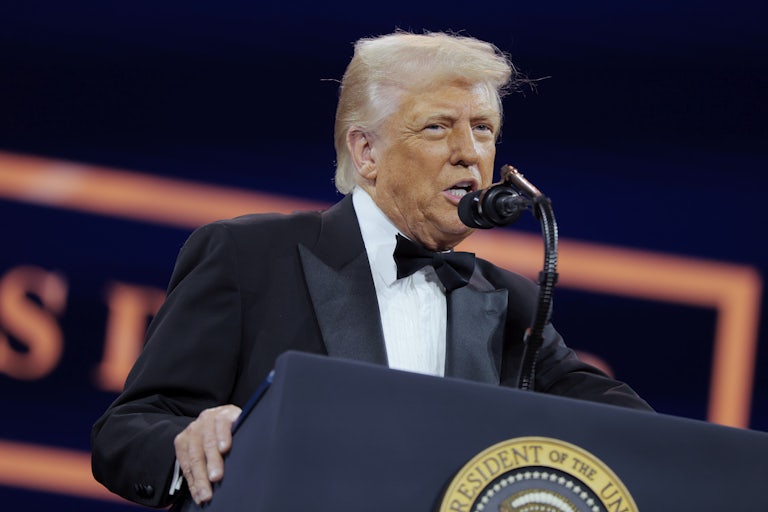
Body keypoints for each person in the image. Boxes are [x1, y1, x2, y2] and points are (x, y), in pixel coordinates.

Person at [91, 30, 652, 508]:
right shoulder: (248, 256)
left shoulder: (508, 302)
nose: (469, 152)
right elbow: (127, 431)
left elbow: (628, 425)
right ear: (366, 153)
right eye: (437, 127)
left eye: (482, 128)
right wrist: (191, 441)